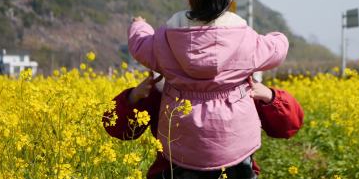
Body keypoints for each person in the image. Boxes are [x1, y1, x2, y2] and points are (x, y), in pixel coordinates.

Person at [128, 0, 289, 173]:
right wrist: (278, 36)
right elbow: (278, 49)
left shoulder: (164, 39)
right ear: (229, 0)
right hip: (235, 146)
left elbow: (139, 44)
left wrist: (139, 25)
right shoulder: (246, 40)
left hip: (180, 145)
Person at [104, 74, 304, 179]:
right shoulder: (163, 87)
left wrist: (270, 97)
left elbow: (288, 125)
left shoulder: (243, 86)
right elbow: (117, 127)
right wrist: (134, 97)